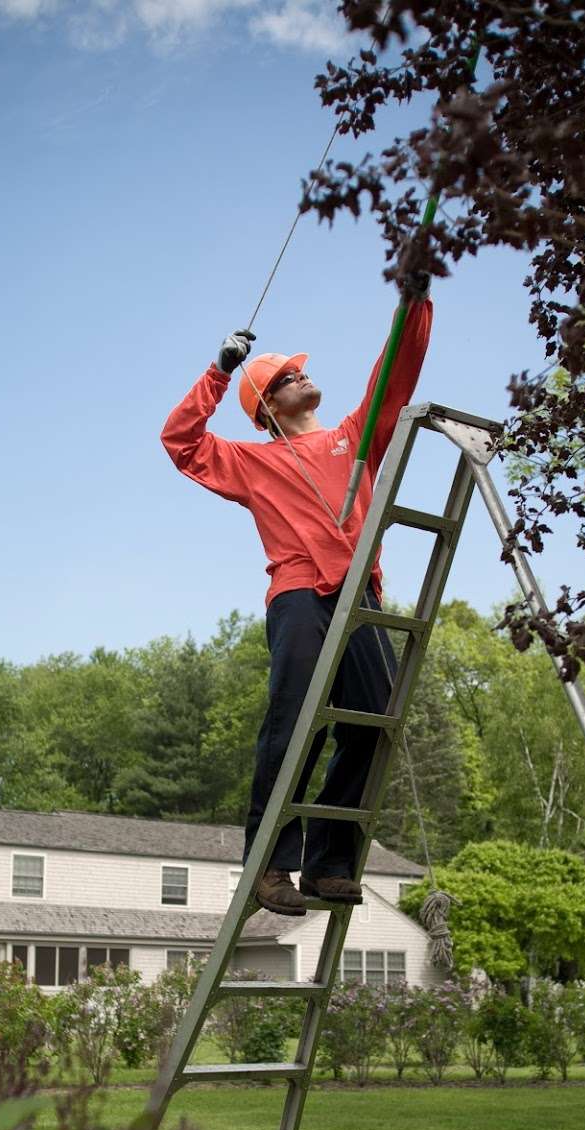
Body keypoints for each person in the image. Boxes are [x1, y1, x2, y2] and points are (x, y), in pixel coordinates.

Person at [160, 280, 433, 917]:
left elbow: (395, 372)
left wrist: (413, 301)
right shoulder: (253, 463)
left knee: (372, 722)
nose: (302, 376)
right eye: (288, 375)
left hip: (358, 595)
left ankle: (329, 864)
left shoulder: (355, 437)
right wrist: (218, 372)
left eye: (299, 371)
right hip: (299, 599)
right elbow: (182, 444)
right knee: (294, 726)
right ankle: (270, 866)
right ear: (269, 405)